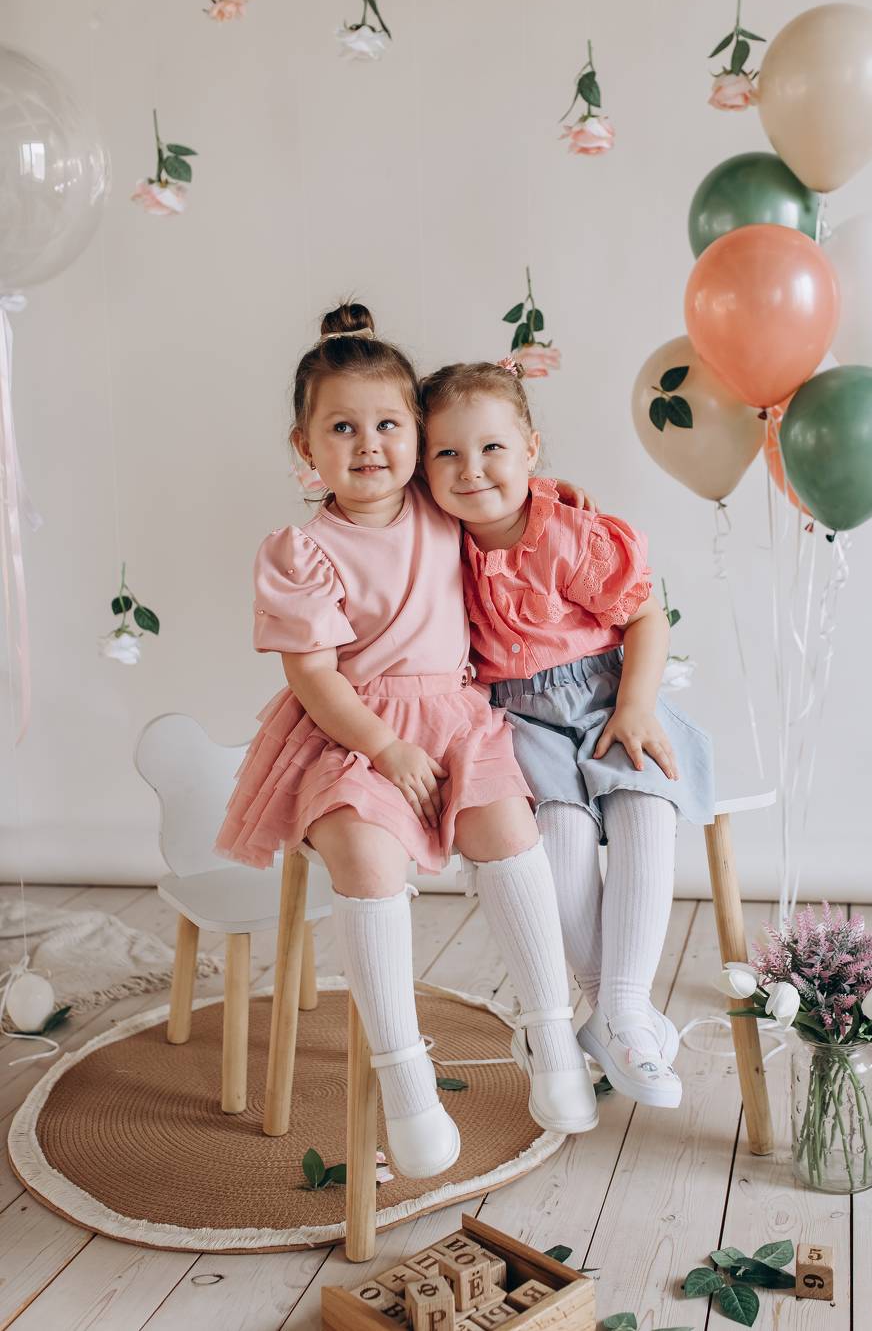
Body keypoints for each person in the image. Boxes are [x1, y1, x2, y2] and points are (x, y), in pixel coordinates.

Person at [215, 306, 597, 1179]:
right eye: (341, 429)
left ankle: (551, 1033)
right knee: (364, 856)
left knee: (509, 829)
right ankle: (404, 1076)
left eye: (389, 425)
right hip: (353, 730)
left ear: (419, 438)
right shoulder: (303, 550)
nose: (368, 445)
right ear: (305, 447)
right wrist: (384, 749)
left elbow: (506, 491)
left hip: (455, 717)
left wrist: (558, 497)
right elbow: (313, 676)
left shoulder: (440, 504)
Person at [421, 358, 715, 1108]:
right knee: (561, 832)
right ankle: (612, 1013)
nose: (471, 469)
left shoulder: (568, 534)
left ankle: (621, 1006)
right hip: (518, 717)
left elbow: (645, 616)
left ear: (530, 448)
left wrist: (635, 706)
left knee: (644, 801)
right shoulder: (436, 544)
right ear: (422, 468)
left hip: (607, 694)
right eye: (446, 452)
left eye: (491, 447)